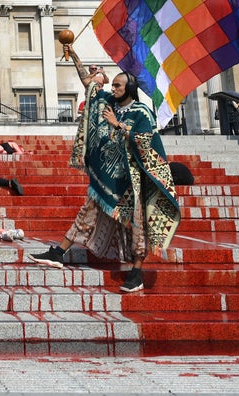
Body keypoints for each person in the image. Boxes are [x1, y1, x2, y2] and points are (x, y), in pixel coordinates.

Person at [29, 43, 180, 293]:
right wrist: (74, 54)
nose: (113, 88)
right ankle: (58, 253)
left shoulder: (142, 112)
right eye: (113, 85)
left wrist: (118, 125)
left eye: (118, 86)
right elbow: (90, 86)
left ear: (129, 88)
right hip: (108, 178)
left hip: (133, 181)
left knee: (138, 226)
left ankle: (136, 273)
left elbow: (146, 142)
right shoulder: (108, 101)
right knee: (86, 213)